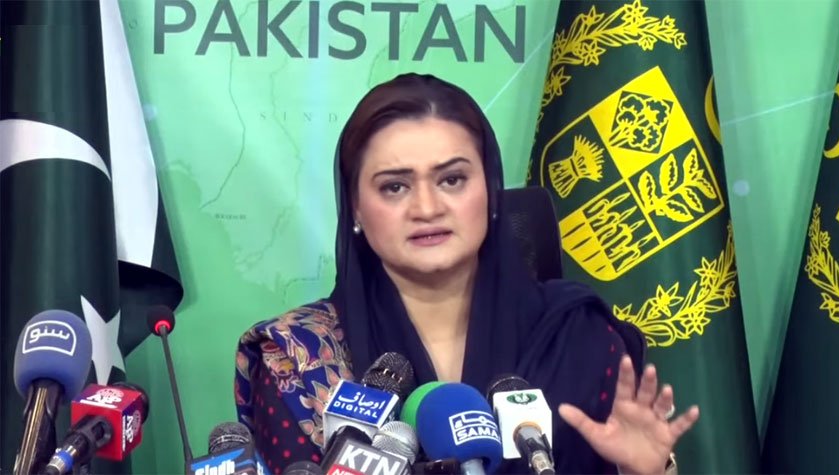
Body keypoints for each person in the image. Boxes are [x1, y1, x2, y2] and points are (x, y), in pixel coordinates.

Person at [234, 73, 700, 475]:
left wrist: (644, 471)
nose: (427, 207)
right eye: (394, 187)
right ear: (355, 207)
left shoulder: (582, 338)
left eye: (452, 179)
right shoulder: (297, 358)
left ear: (491, 190)